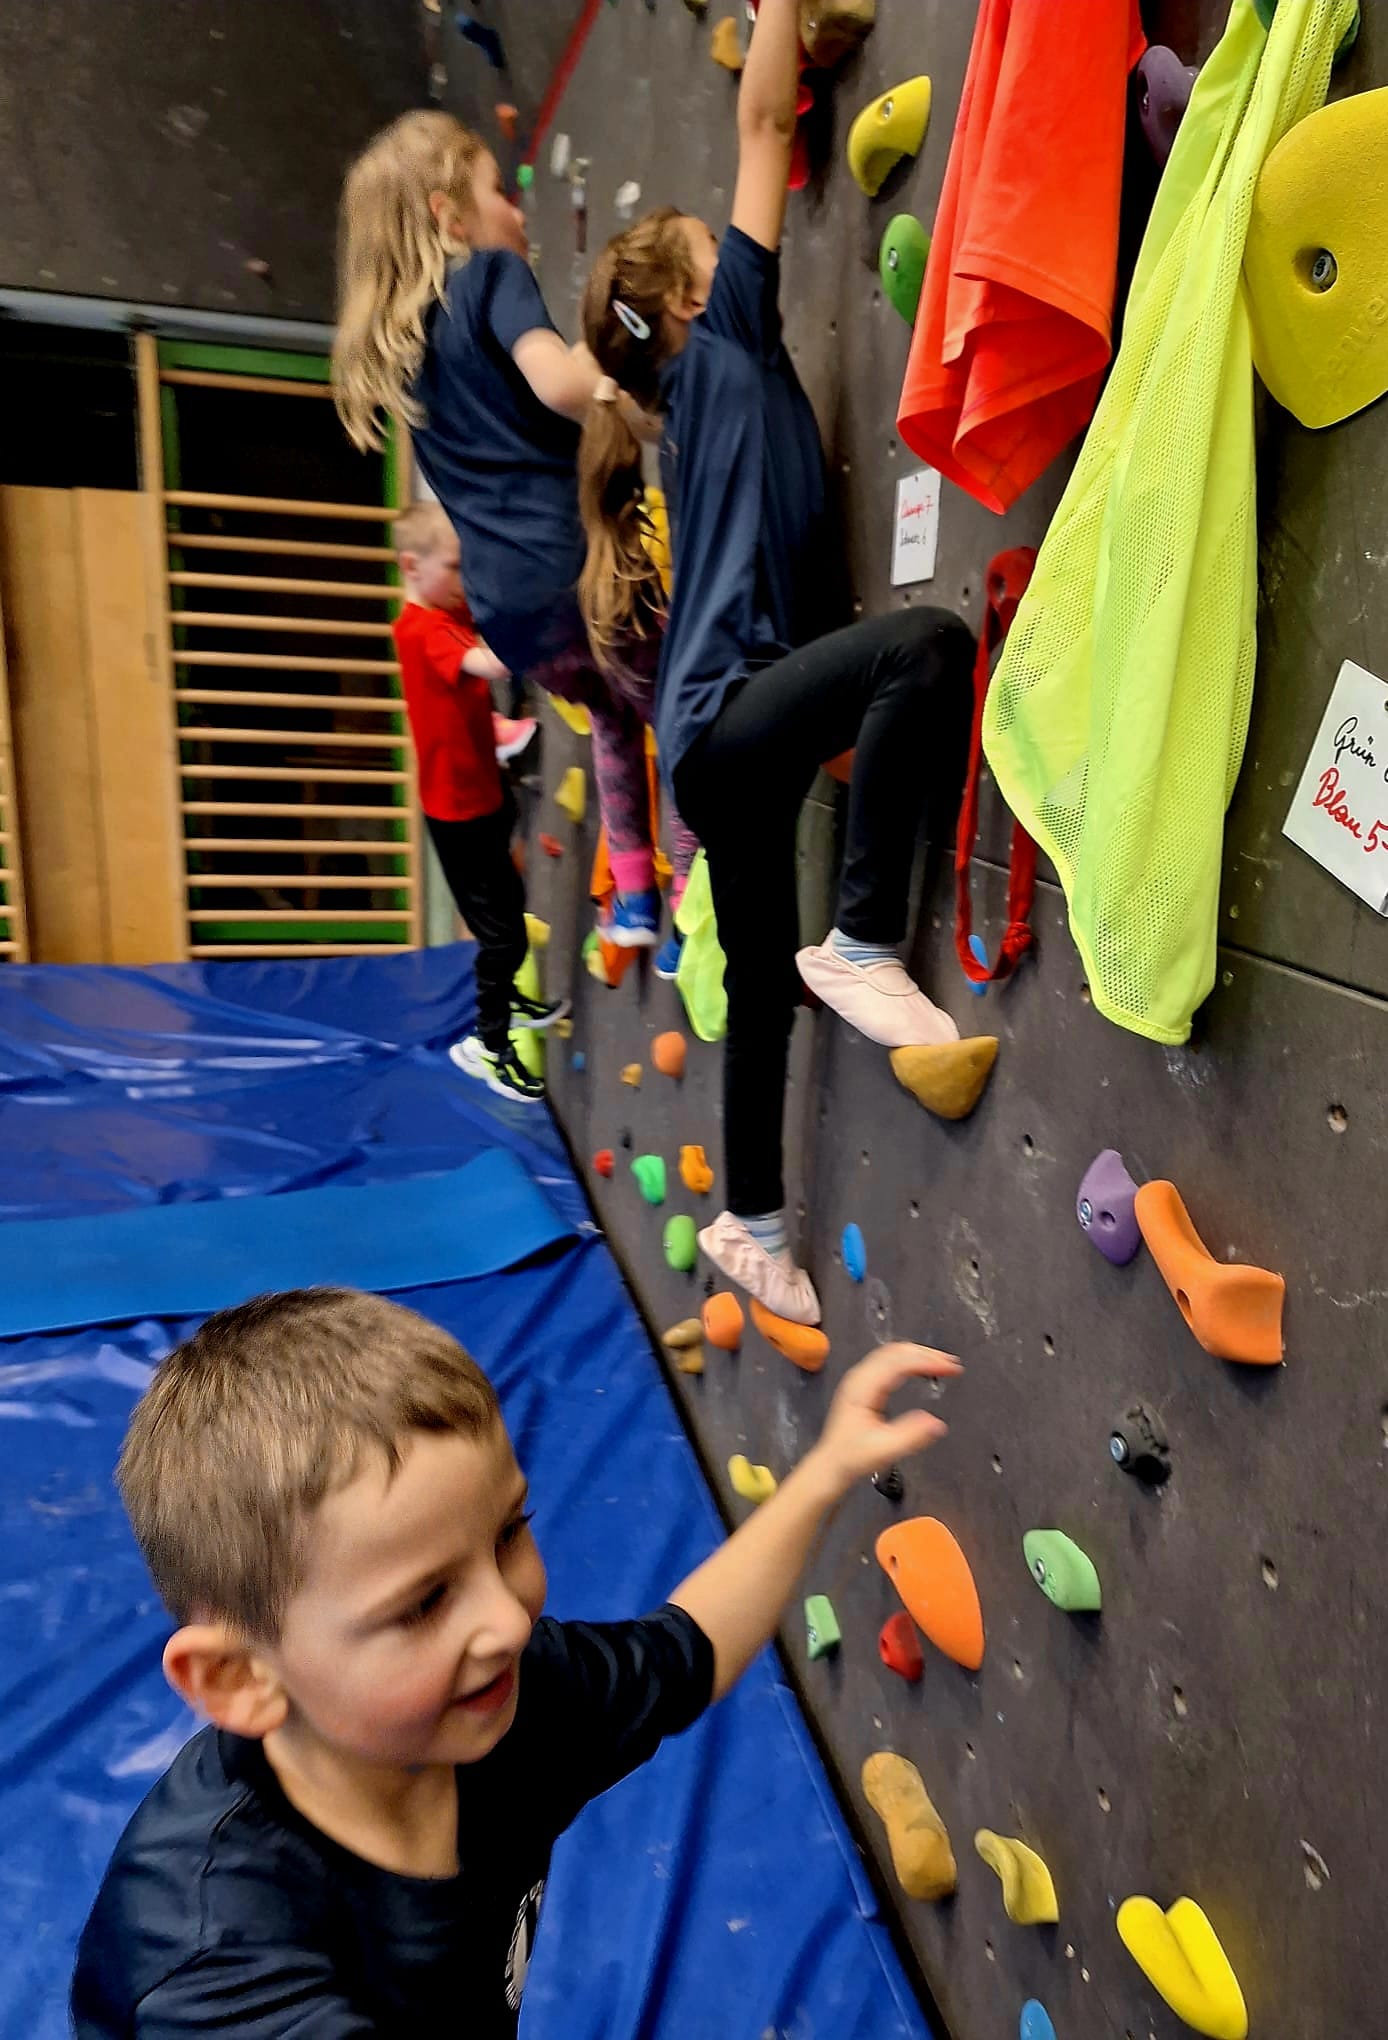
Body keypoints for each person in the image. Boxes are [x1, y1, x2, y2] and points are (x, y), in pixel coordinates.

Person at [70, 1287, 959, 2035]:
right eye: (423, 1602)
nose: (507, 1618)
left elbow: (686, 1649)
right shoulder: (215, 1969)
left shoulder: (507, 1697)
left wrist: (825, 1472)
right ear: (240, 1679)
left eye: (508, 1534)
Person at [576, 0, 974, 1327]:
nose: (733, 242)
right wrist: (777, 13)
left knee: (758, 992)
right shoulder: (726, 344)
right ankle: (860, 941)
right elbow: (763, 121)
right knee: (929, 647)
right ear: (693, 298)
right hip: (726, 728)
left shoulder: (693, 409)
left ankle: (749, 1226)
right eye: (712, 246)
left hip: (714, 755)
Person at [334, 112, 696, 958]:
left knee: (611, 717)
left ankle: (634, 896)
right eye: (500, 192)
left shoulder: (409, 358)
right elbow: (561, 385)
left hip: (510, 615)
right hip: (577, 568)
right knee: (676, 706)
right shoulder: (491, 277)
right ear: (449, 216)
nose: (518, 212)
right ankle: (693, 901)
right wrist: (619, 347)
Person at [392, 502, 566, 1104]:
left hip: (482, 795)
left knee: (510, 905)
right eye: (455, 568)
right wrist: (547, 625)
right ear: (412, 567)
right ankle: (488, 1047)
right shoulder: (422, 630)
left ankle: (508, 1001)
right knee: (501, 938)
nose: (464, 581)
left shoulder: (446, 609)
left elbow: (488, 613)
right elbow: (488, 662)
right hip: (457, 815)